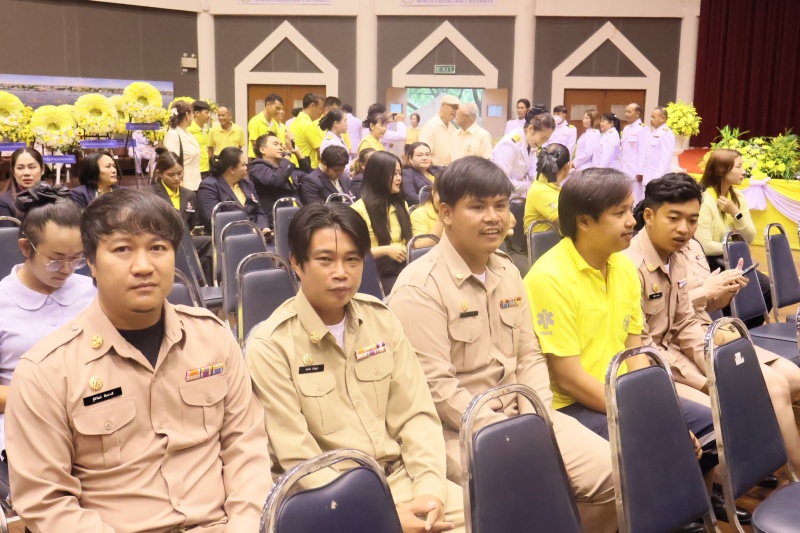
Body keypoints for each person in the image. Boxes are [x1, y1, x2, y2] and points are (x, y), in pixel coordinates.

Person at [5, 189, 272, 532]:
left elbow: (245, 446)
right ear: (91, 262)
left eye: (158, 248)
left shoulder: (213, 337)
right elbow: (47, 502)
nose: (144, 266)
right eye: (122, 249)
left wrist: (245, 525)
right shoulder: (46, 371)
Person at [388, 157, 617, 533]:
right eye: (478, 207)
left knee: (614, 472)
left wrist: (534, 418)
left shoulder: (508, 270)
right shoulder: (420, 288)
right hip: (459, 431)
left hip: (524, 412)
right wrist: (507, 433)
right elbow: (437, 388)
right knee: (527, 493)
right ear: (446, 213)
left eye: (500, 205)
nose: (493, 217)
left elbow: (529, 355)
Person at [246, 202, 464, 533]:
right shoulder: (271, 345)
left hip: (405, 481)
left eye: (352, 259)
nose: (341, 272)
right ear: (296, 263)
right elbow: (298, 457)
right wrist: (383, 515)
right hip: (331, 500)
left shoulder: (381, 320)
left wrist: (430, 489)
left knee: (494, 517)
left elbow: (416, 414)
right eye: (325, 260)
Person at [627, 174, 800, 514]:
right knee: (727, 404)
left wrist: (716, 366)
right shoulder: (630, 266)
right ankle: (721, 489)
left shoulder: (678, 253)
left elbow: (685, 325)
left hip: (689, 342)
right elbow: (648, 346)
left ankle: (751, 470)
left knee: (758, 383)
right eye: (674, 218)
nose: (684, 228)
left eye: (692, 220)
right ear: (648, 215)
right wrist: (705, 380)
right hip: (654, 363)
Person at [0, 183, 95, 449]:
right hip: (25, 426)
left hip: (95, 420)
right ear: (25, 247)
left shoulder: (93, 293)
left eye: (76, 259)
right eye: (55, 259)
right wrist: (49, 401)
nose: (66, 269)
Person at [696, 148, 771, 324]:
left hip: (732, 259)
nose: (743, 171)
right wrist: (734, 245)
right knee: (738, 290)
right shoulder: (704, 199)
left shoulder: (737, 197)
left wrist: (735, 213)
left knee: (766, 288)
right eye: (738, 167)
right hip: (710, 262)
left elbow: (750, 236)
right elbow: (705, 246)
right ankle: (728, 328)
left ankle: (744, 330)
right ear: (721, 170)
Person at [149, 147, 213, 283]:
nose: (177, 178)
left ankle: (204, 285)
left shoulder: (189, 195)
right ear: (159, 173)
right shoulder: (150, 195)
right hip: (162, 240)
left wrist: (195, 231)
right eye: (171, 175)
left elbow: (196, 224)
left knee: (208, 242)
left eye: (180, 173)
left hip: (186, 240)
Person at [351, 151, 411, 293]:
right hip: (376, 271)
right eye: (394, 174)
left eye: (400, 173)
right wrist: (386, 250)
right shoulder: (359, 210)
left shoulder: (401, 205)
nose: (399, 178)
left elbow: (408, 241)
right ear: (378, 175)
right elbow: (354, 253)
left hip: (404, 266)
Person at [197, 147, 271, 238]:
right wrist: (248, 230)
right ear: (232, 169)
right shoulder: (209, 186)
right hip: (228, 238)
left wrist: (263, 228)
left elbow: (259, 211)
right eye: (243, 165)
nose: (246, 168)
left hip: (257, 235)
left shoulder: (247, 184)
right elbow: (213, 220)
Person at [248, 132, 310, 228]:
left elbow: (309, 178)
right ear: (262, 150)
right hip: (276, 221)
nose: (281, 148)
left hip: (298, 217)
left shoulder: (285, 168)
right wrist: (288, 153)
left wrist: (297, 152)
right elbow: (276, 181)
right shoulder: (257, 167)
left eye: (281, 145)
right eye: (275, 144)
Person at [491, 113, 555, 196]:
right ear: (530, 128)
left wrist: (544, 183)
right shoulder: (509, 144)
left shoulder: (530, 141)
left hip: (519, 194)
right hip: (504, 196)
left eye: (547, 139)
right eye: (542, 138)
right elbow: (501, 181)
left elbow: (533, 169)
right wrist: (526, 185)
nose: (543, 142)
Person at [523, 142, 571, 231]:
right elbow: (569, 224)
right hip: (550, 239)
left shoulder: (549, 184)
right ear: (566, 167)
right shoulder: (542, 191)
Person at [0, 147, 45, 226]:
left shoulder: (56, 197)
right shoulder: (4, 202)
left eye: (31, 167)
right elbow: (7, 233)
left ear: (42, 170)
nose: (26, 173)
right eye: (20, 168)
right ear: (13, 172)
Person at [164, 99, 202, 190]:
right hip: (182, 186)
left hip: (195, 184)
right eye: (192, 113)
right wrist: (179, 183)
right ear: (187, 115)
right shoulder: (173, 134)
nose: (193, 116)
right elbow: (171, 162)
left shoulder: (189, 135)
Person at [418, 95, 460, 166]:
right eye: (453, 107)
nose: (455, 111)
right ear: (443, 105)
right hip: (434, 171)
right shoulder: (429, 126)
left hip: (451, 171)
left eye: (457, 108)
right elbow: (423, 155)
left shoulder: (454, 129)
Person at [640, 106, 675, 188]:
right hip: (648, 175)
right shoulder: (654, 132)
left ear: (662, 118)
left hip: (657, 177)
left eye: (654, 117)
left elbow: (665, 159)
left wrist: (657, 179)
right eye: (651, 117)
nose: (651, 119)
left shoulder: (666, 133)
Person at [620, 103, 648, 204]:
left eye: (629, 112)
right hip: (625, 168)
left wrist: (640, 171)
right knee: (625, 197)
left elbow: (644, 151)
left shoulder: (643, 128)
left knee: (636, 197)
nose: (626, 114)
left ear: (637, 113)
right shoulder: (627, 128)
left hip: (635, 170)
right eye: (626, 111)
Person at [289, 93, 325, 168]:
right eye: (320, 108)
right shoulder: (308, 125)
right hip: (307, 168)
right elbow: (321, 152)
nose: (321, 112)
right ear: (312, 106)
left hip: (295, 166)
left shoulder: (296, 121)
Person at [401, 141, 442, 206]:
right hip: (422, 208)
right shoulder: (407, 173)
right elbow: (410, 196)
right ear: (410, 158)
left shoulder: (438, 170)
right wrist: (433, 203)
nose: (424, 158)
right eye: (419, 155)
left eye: (427, 154)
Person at [247, 93, 285, 159]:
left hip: (271, 159)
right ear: (268, 104)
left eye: (280, 109)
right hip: (257, 159)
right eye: (277, 108)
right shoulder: (255, 121)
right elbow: (255, 144)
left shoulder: (275, 124)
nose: (278, 111)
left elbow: (279, 142)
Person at [187, 100, 211, 179]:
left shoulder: (206, 128)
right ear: (197, 113)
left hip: (207, 168)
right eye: (206, 113)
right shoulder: (188, 129)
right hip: (195, 170)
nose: (209, 115)